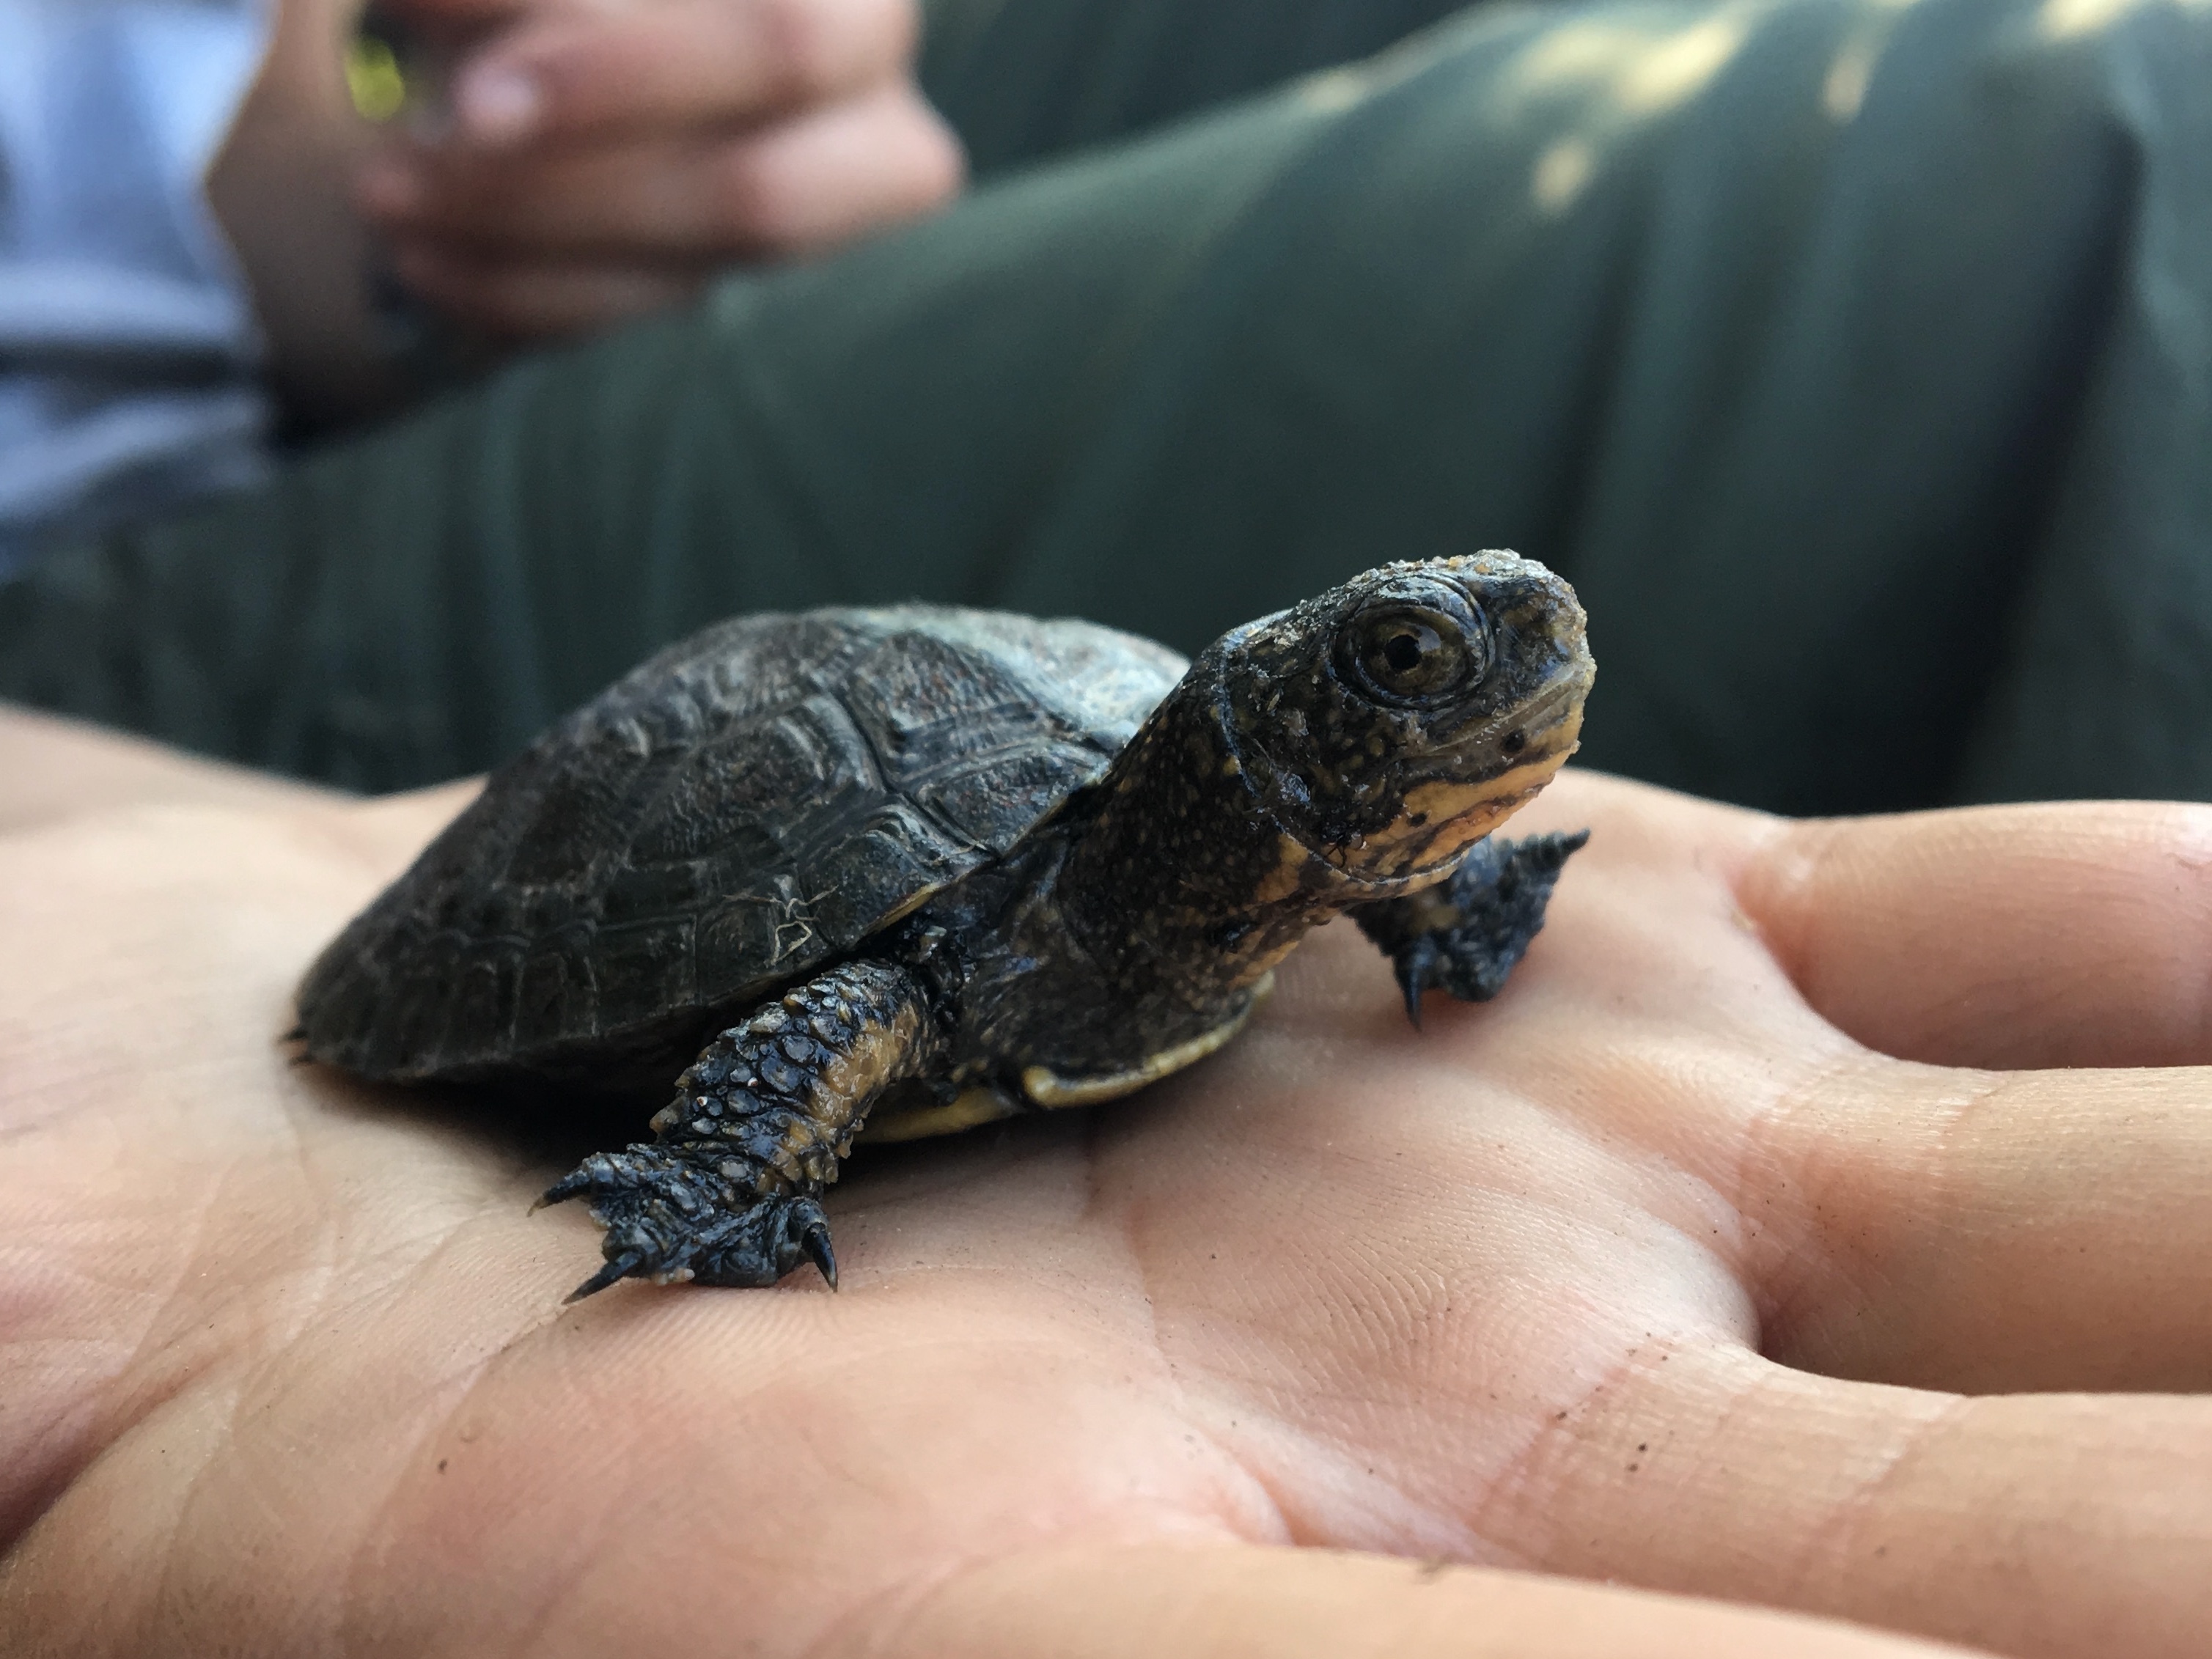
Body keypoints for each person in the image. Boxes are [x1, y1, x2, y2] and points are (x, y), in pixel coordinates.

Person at [4, 707, 2210, 1658]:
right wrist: (726, 1161)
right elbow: (851, 1003)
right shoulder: (991, 942)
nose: (1507, 662)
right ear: (1266, 742)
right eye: (1400, 675)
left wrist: (1423, 901)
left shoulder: (1229, 869)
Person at [2, 0, 2207, 812]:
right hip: (71, 696)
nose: (1516, 662)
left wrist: (327, 156)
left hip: (192, 260)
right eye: (1412, 660)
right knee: (2103, 161)